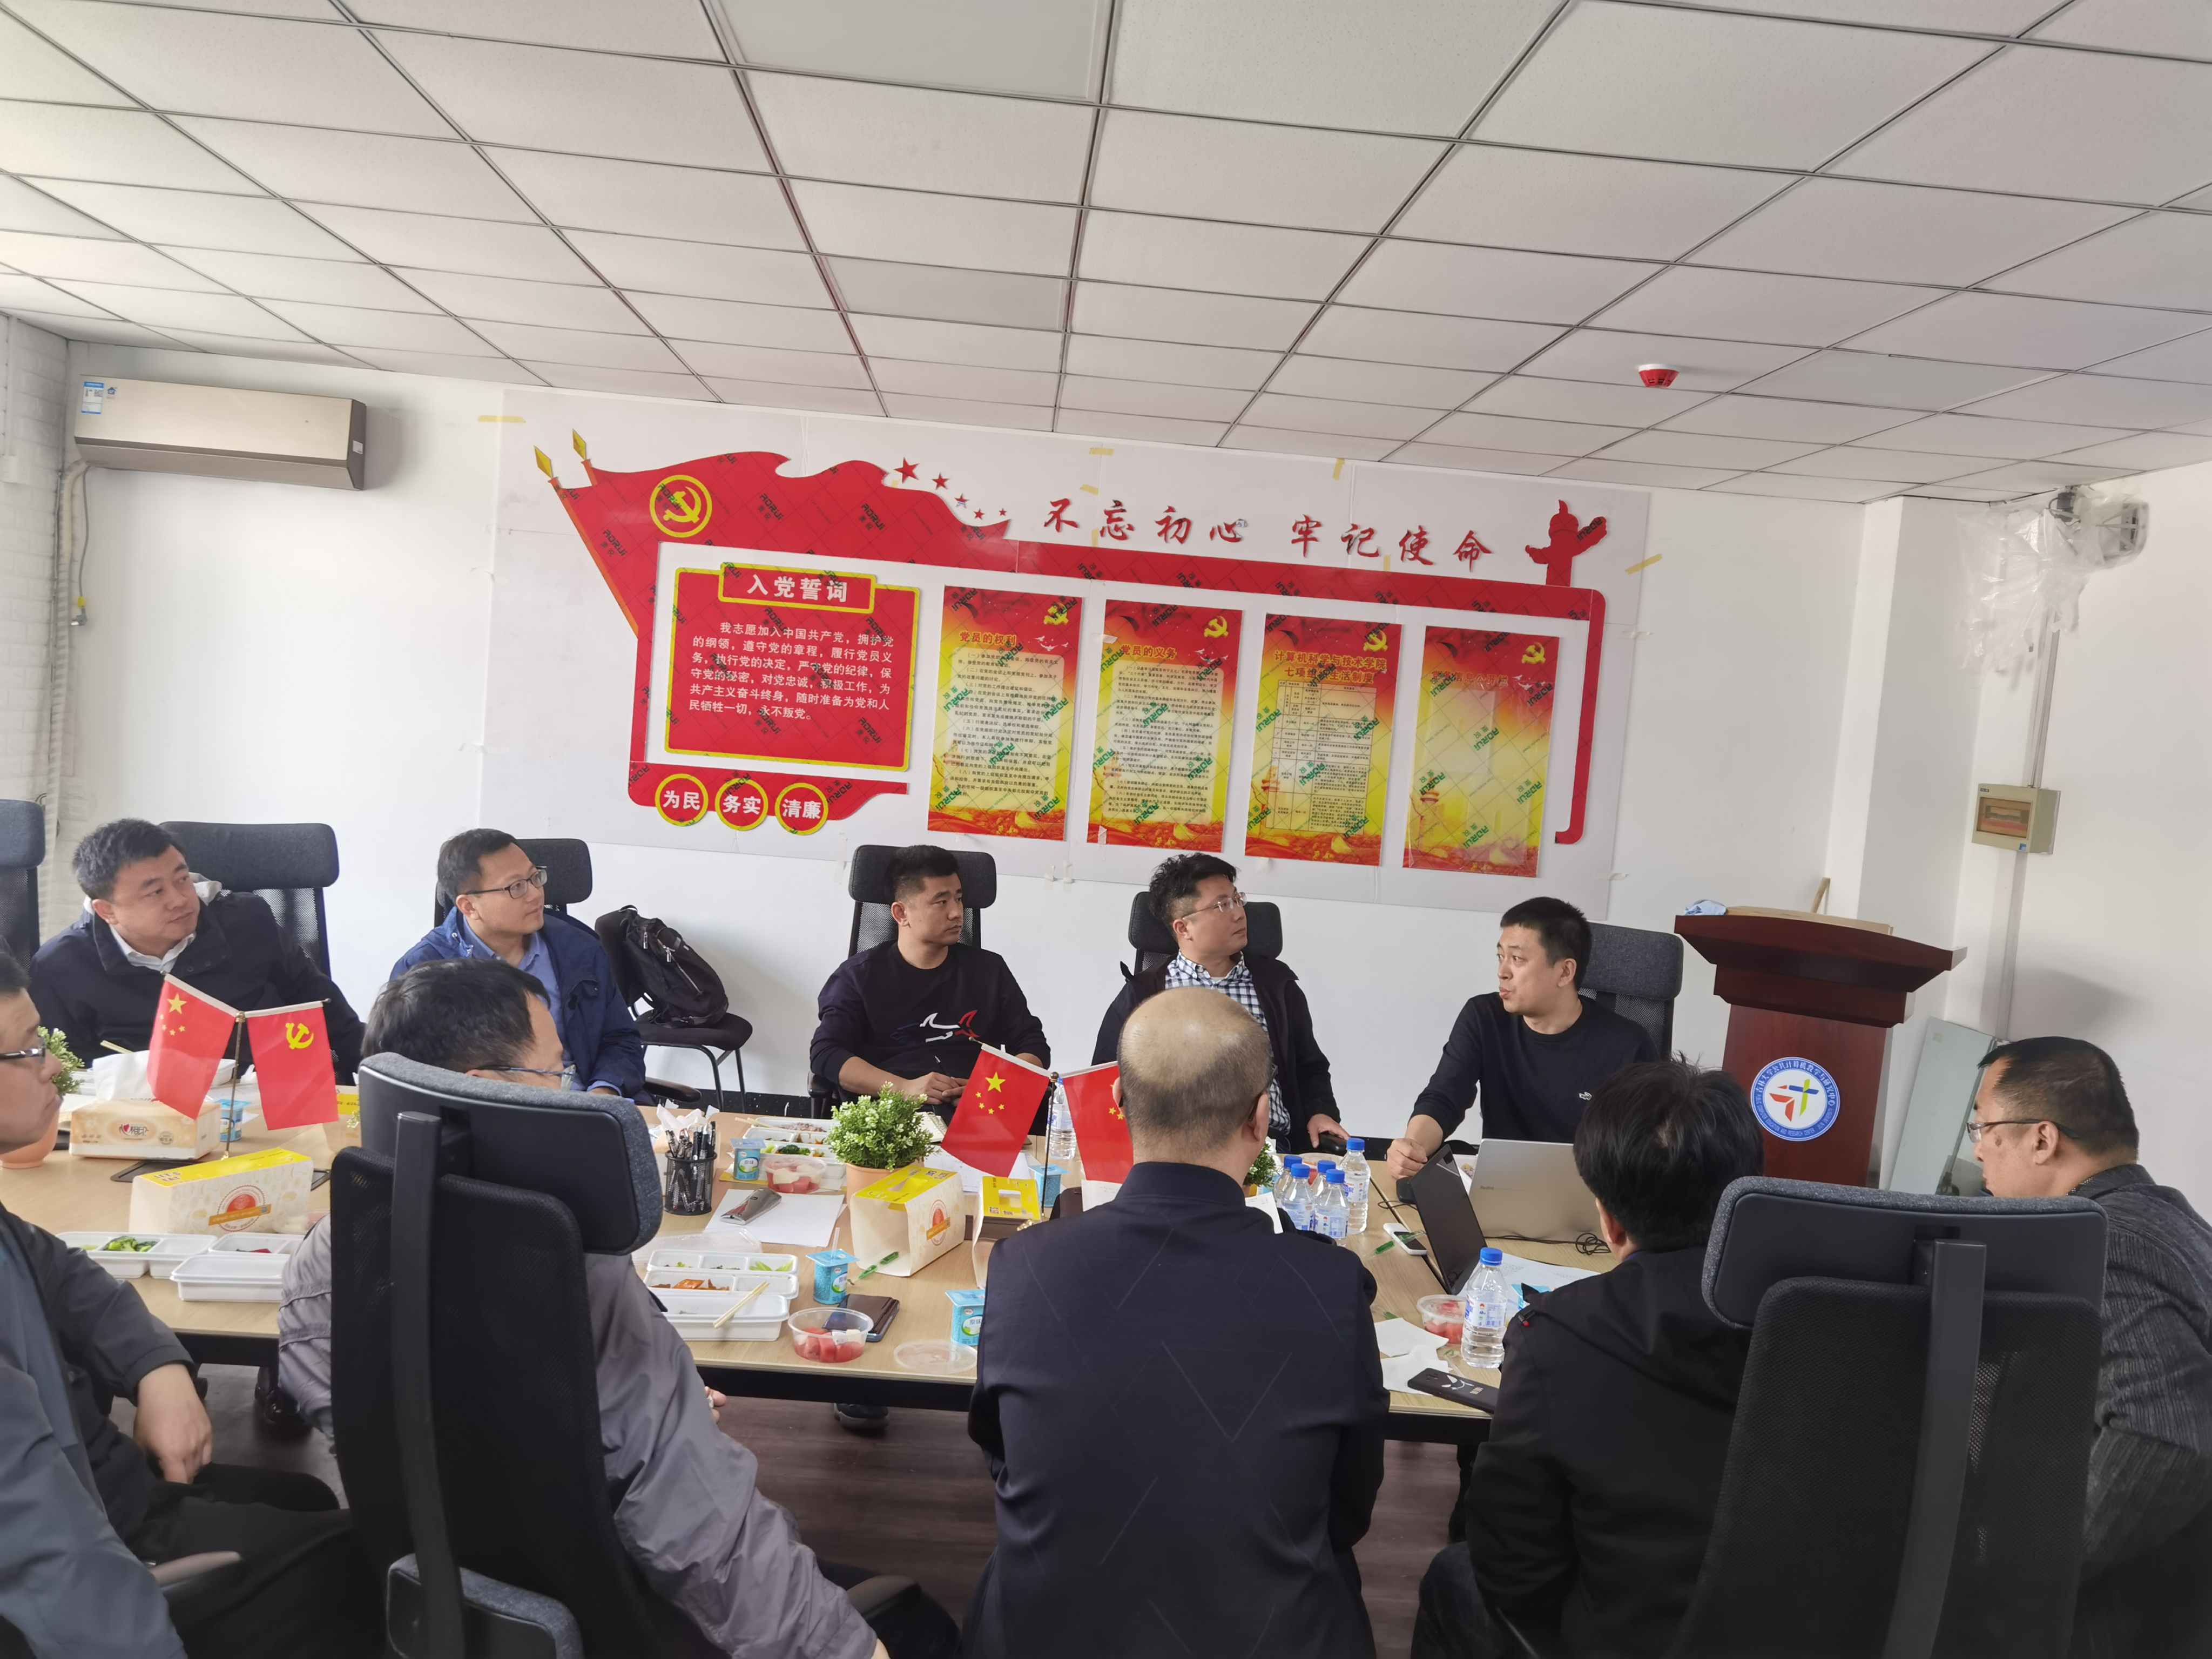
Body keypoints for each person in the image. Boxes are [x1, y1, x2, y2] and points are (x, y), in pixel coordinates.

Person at [280, 959, 957, 1659]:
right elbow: (705, 1533)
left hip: (440, 1598)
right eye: (555, 1072)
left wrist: (612, 1415)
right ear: (484, 1088)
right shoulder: (574, 1281)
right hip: (610, 1620)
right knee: (921, 1628)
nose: (569, 1088)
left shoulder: (329, 1260)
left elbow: (395, 1434)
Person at [966, 988, 1387, 1658]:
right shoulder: (1331, 1286)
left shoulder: (1023, 1266)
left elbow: (1005, 1460)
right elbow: (1346, 1510)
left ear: (1118, 1102)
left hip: (1046, 1634)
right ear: (1260, 1117)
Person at [0, 946, 377, 1658]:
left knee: (306, 1499)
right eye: (27, 1051)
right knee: (385, 1562)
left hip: (103, 1485)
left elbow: (66, 1276)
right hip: (104, 1543)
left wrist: (156, 1369)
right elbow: (39, 1539)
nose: (53, 1068)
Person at [1413, 1059, 1764, 1659]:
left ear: (1608, 1218)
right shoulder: (1825, 1324)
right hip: (1801, 1629)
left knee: (1452, 1575)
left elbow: (1511, 1573)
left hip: (1629, 1638)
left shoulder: (1557, 1338)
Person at [1968, 1036, 2212, 1659]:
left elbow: (2164, 1439)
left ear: (2042, 1139)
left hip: (2100, 1628)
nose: (1977, 1150)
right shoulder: (2177, 1226)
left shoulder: (2106, 1245)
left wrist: (2022, 1569)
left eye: (1984, 1127)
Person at [30, 816, 365, 1078]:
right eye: (155, 892)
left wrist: (375, 1073)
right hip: (142, 1117)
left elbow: (321, 1005)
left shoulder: (248, 922)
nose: (180, 900)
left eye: (182, 879)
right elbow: (68, 1074)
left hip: (266, 1096)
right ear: (108, 911)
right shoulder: (63, 966)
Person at [1386, 896, 1654, 1183]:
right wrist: (1412, 1147)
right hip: (1500, 1187)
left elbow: (1651, 1148)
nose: (1502, 972)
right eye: (1501, 957)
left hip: (1590, 1196)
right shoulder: (1484, 1017)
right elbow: (1444, 1097)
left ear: (1565, 972)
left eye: (1517, 959)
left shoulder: (1628, 1045)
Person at [1092, 852, 1344, 1154]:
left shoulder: (1278, 987)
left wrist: (1321, 1112)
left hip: (1268, 1148)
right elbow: (1103, 1077)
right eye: (1222, 905)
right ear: (1183, 928)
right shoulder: (1143, 994)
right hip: (1174, 1151)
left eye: (1237, 900)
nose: (1239, 914)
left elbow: (1309, 1066)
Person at [390, 828, 645, 1100]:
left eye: (535, 878)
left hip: (587, 1103)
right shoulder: (423, 971)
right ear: (469, 906)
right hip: (480, 1110)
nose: (536, 894)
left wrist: (604, 1091)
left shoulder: (580, 949)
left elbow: (621, 1038)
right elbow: (408, 1075)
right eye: (516, 887)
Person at [809, 844, 1047, 1115]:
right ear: (901, 913)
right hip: (893, 1113)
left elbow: (1032, 1044)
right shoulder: (857, 976)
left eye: (959, 898)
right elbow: (827, 1053)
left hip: (977, 1110)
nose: (957, 912)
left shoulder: (989, 970)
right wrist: (903, 1088)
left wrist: (992, 1088)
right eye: (941, 902)